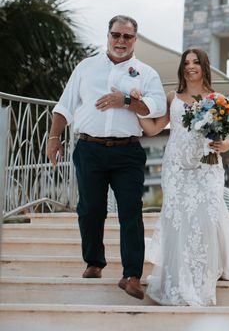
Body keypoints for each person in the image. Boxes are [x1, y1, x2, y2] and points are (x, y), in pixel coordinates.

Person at [46, 15, 166, 300]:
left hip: (128, 152)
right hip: (89, 149)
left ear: (135, 39)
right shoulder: (86, 67)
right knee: (90, 209)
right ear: (108, 36)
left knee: (130, 212)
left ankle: (132, 274)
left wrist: (124, 100)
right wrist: (54, 138)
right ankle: (94, 262)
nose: (121, 41)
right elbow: (64, 106)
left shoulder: (146, 73)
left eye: (127, 36)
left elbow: (156, 107)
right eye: (116, 35)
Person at [137, 48, 229, 306]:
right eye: (186, 63)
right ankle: (178, 279)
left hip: (207, 166)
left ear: (204, 66)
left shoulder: (218, 98)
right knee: (178, 219)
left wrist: (225, 145)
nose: (190, 67)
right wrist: (136, 110)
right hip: (176, 167)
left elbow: (228, 136)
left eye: (196, 62)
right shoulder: (172, 97)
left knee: (206, 217)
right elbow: (154, 128)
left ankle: (204, 276)